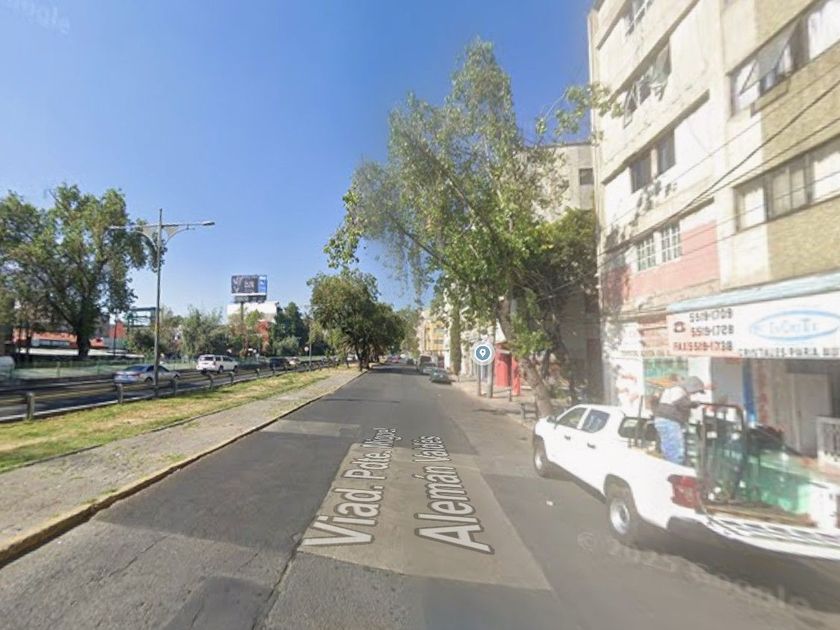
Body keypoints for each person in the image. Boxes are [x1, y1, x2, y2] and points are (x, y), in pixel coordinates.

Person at [653, 376, 705, 464]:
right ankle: (676, 466)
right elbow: (679, 402)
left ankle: (668, 465)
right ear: (692, 386)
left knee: (668, 447)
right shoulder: (678, 389)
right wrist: (692, 404)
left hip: (663, 420)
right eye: (695, 391)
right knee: (676, 447)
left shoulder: (673, 388)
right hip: (670, 421)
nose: (694, 393)